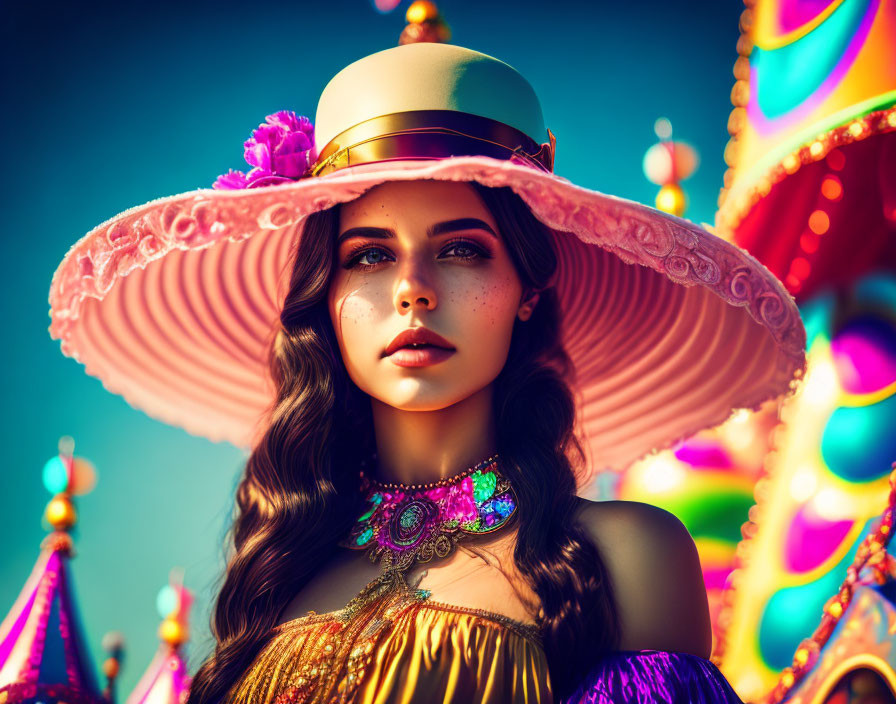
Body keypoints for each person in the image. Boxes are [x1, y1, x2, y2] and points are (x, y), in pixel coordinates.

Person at [47, 39, 806, 704]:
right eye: (370, 255)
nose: (413, 288)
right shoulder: (274, 577)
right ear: (329, 299)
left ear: (527, 290)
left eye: (462, 248)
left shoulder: (628, 557)